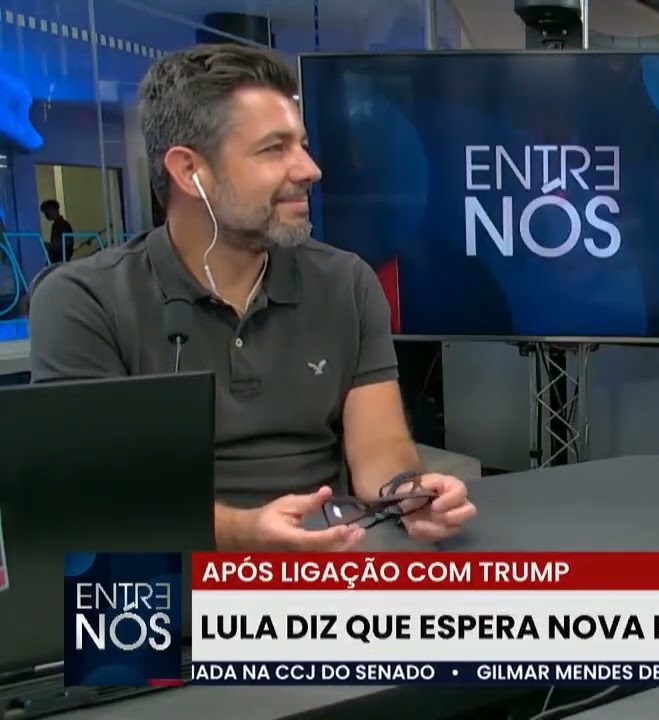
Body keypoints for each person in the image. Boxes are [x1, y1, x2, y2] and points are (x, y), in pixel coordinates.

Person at [26, 43, 477, 550]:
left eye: (302, 144)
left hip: (330, 557)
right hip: (167, 571)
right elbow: (93, 492)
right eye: (274, 149)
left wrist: (407, 494)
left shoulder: (346, 282)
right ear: (189, 171)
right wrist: (244, 532)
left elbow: (379, 445)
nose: (310, 169)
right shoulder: (83, 300)